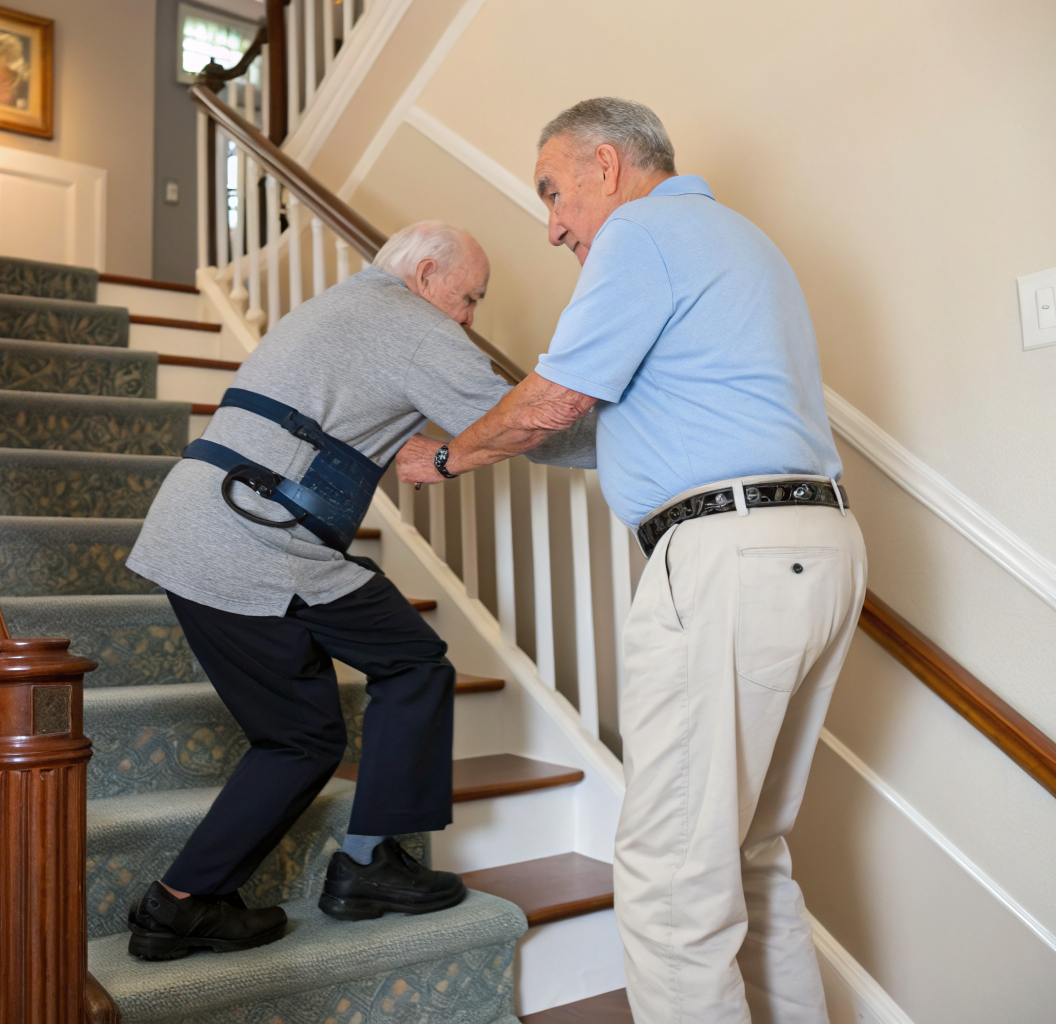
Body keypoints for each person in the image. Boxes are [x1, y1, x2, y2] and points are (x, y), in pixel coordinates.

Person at [397, 99, 867, 1023]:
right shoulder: (736, 240)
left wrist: (444, 454)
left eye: (553, 192)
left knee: (665, 878)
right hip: (815, 548)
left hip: (726, 557)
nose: (552, 224)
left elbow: (552, 404)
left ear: (605, 166)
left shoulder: (641, 235)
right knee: (747, 856)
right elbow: (596, 424)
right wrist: (514, 422)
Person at [124, 221, 596, 961]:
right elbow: (523, 420)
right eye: (468, 298)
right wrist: (636, 438)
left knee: (301, 738)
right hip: (259, 538)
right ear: (425, 275)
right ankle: (368, 865)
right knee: (412, 664)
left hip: (199, 529)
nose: (469, 317)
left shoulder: (333, 308)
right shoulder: (409, 324)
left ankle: (179, 906)